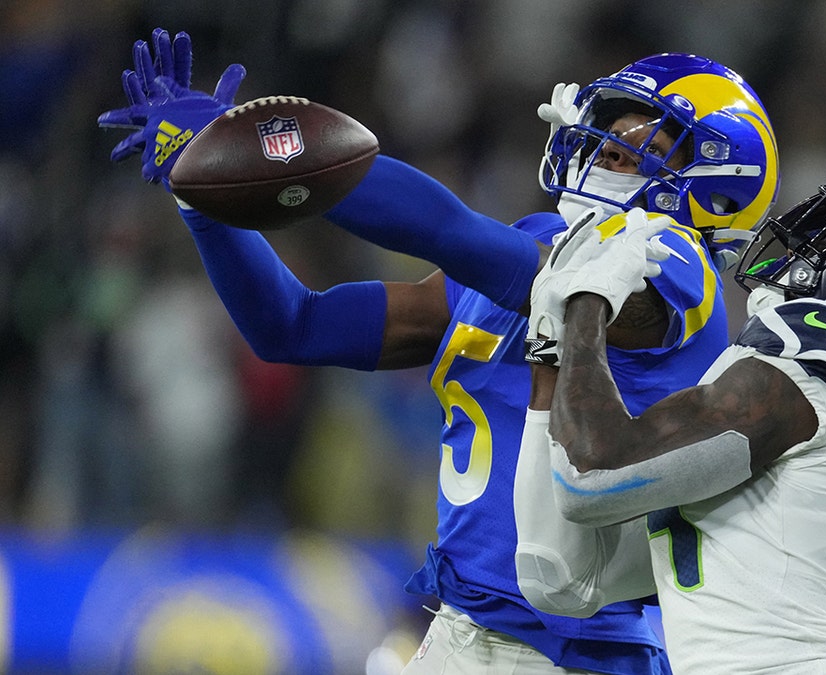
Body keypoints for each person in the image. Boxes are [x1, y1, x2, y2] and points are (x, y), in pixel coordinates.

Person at [97, 29, 779, 674]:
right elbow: (292, 326)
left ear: (720, 176)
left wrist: (282, 155)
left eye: (642, 129)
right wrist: (206, 200)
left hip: (579, 651)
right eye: (613, 121)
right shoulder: (533, 248)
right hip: (458, 631)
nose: (609, 140)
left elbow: (460, 237)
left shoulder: (678, 269)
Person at [513, 176, 826, 673]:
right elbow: (559, 577)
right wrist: (550, 344)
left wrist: (586, 303)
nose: (807, 241)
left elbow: (594, 472)